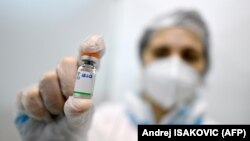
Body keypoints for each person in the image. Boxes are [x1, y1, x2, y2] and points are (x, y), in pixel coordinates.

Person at [15, 9, 212, 141]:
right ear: (142, 60)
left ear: (204, 67)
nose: (174, 67)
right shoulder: (99, 123)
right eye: (161, 53)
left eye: (190, 55)